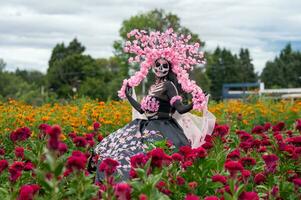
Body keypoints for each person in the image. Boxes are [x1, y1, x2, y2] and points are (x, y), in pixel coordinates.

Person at [93, 29, 215, 182]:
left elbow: (181, 109)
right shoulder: (152, 87)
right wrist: (129, 96)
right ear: (153, 66)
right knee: (119, 148)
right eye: (158, 65)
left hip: (164, 127)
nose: (161, 69)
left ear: (169, 68)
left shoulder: (169, 86)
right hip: (147, 124)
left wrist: (195, 102)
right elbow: (142, 110)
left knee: (153, 158)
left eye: (165, 66)